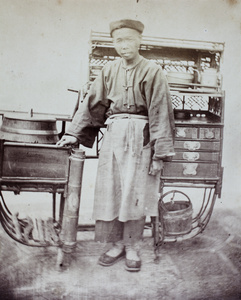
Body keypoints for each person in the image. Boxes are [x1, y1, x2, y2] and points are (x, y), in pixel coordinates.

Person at [57, 19, 175, 272]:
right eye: (118, 40)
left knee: (135, 194)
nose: (124, 46)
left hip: (141, 137)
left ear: (140, 40)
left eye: (129, 40)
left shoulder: (153, 71)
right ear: (114, 43)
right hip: (114, 135)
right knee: (111, 191)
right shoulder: (109, 70)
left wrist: (159, 154)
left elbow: (160, 112)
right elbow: (93, 103)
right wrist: (74, 134)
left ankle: (132, 246)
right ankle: (115, 244)